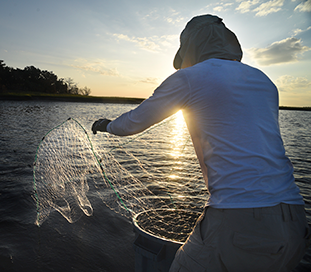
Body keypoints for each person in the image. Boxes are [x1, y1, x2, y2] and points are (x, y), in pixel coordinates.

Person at [91, 14, 310, 272]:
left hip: (239, 218)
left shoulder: (190, 78)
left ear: (191, 46)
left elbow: (132, 123)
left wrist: (105, 125)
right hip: (295, 219)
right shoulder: (264, 81)